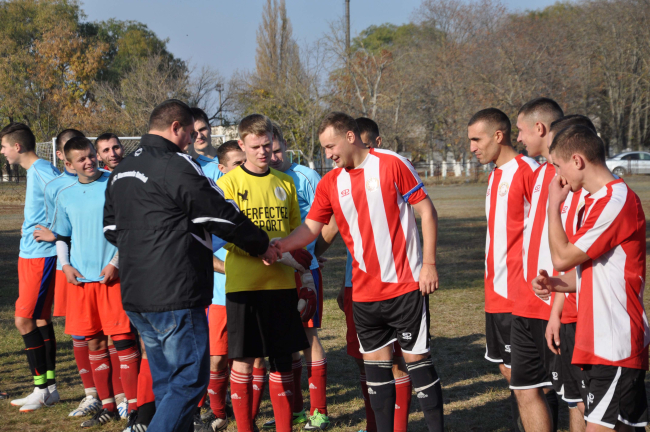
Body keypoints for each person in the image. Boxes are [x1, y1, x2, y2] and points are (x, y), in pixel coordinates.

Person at [103, 99, 276, 432]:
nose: (192, 139)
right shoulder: (177, 164)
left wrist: (147, 242)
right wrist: (261, 243)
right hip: (175, 291)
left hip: (136, 292)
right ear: (175, 128)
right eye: (189, 132)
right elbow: (218, 213)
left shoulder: (121, 170)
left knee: (168, 382)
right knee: (190, 380)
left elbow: (111, 229)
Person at [274, 112, 444, 432]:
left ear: (350, 137)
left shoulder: (392, 163)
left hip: (405, 288)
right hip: (364, 295)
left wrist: (429, 264)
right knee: (376, 375)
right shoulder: (331, 182)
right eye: (324, 149)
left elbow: (427, 211)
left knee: (417, 365)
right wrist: (279, 246)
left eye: (330, 146)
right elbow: (312, 228)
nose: (328, 154)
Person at [533, 125, 649, 431]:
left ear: (577, 160)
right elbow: (595, 274)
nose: (557, 176)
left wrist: (553, 205)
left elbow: (561, 257)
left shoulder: (615, 201)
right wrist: (554, 284)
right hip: (601, 341)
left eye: (557, 166)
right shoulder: (596, 202)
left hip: (614, 343)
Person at [215, 114, 312, 432]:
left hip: (281, 285)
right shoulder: (227, 184)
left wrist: (302, 264)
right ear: (241, 145)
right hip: (244, 287)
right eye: (255, 146)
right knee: (244, 361)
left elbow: (295, 233)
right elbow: (226, 234)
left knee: (283, 360)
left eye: (267, 145)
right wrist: (261, 250)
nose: (262, 152)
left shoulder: (285, 182)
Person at [51, 136, 140, 427]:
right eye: (81, 159)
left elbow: (130, 228)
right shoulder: (65, 194)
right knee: (94, 342)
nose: (89, 162)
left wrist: (116, 263)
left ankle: (134, 407)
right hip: (82, 282)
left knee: (124, 341)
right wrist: (65, 265)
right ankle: (108, 406)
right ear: (68, 164)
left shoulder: (114, 183)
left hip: (113, 278)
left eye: (91, 155)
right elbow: (62, 236)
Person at [330, 117, 412, 432]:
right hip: (357, 288)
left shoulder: (391, 170)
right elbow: (332, 232)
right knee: (364, 359)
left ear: (375, 143)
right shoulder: (341, 180)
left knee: (397, 361)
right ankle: (374, 424)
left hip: (396, 285)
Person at [467, 108, 538, 430]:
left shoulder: (529, 171)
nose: (472, 147)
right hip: (495, 292)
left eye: (476, 139)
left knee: (528, 378)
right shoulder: (495, 173)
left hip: (520, 294)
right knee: (508, 371)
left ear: (499, 135)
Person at [31, 128, 103, 417]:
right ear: (63, 157)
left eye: (88, 154)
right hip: (73, 269)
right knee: (80, 332)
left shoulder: (108, 181)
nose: (85, 160)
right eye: (72, 153)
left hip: (106, 267)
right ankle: (90, 394)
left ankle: (118, 395)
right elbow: (60, 229)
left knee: (112, 334)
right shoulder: (56, 188)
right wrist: (61, 250)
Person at [263, 123, 330, 431]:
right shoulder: (266, 178)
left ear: (285, 147)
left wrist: (314, 252)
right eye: (269, 151)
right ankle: (297, 409)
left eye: (278, 150)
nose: (273, 157)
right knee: (285, 340)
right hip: (274, 272)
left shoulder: (305, 176)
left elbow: (329, 219)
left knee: (308, 337)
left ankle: (320, 411)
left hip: (303, 272)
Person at [511, 98, 564, 432]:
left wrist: (560, 297)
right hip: (526, 303)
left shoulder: (569, 173)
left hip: (559, 304)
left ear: (540, 128)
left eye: (521, 130)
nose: (518, 138)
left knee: (574, 397)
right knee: (525, 389)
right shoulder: (540, 172)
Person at [1, 123, 61, 412]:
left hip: (41, 256)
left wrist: (57, 234)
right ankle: (49, 389)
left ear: (17, 146)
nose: (2, 152)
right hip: (30, 255)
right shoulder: (34, 171)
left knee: (23, 321)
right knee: (38, 320)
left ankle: (41, 389)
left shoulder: (42, 170)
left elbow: (67, 199)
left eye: (3, 147)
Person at [196, 140, 244, 432]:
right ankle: (217, 415)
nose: (243, 168)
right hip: (219, 295)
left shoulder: (255, 193)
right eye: (237, 164)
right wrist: (230, 269)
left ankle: (245, 414)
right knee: (216, 359)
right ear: (221, 168)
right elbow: (200, 249)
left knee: (250, 360)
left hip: (251, 291)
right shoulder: (209, 200)